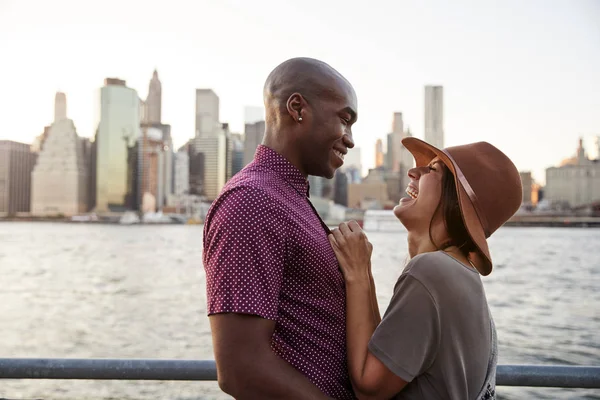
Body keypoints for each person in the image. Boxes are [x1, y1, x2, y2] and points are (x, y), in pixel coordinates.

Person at [203, 57, 358, 399]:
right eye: (344, 120)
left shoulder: (289, 200)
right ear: (297, 108)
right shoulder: (252, 202)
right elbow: (240, 368)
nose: (349, 139)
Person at [329, 138, 523, 400]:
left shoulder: (432, 271)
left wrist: (358, 272)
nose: (413, 172)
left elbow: (369, 387)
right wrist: (365, 271)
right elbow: (383, 351)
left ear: (456, 199)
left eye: (432, 170)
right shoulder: (460, 275)